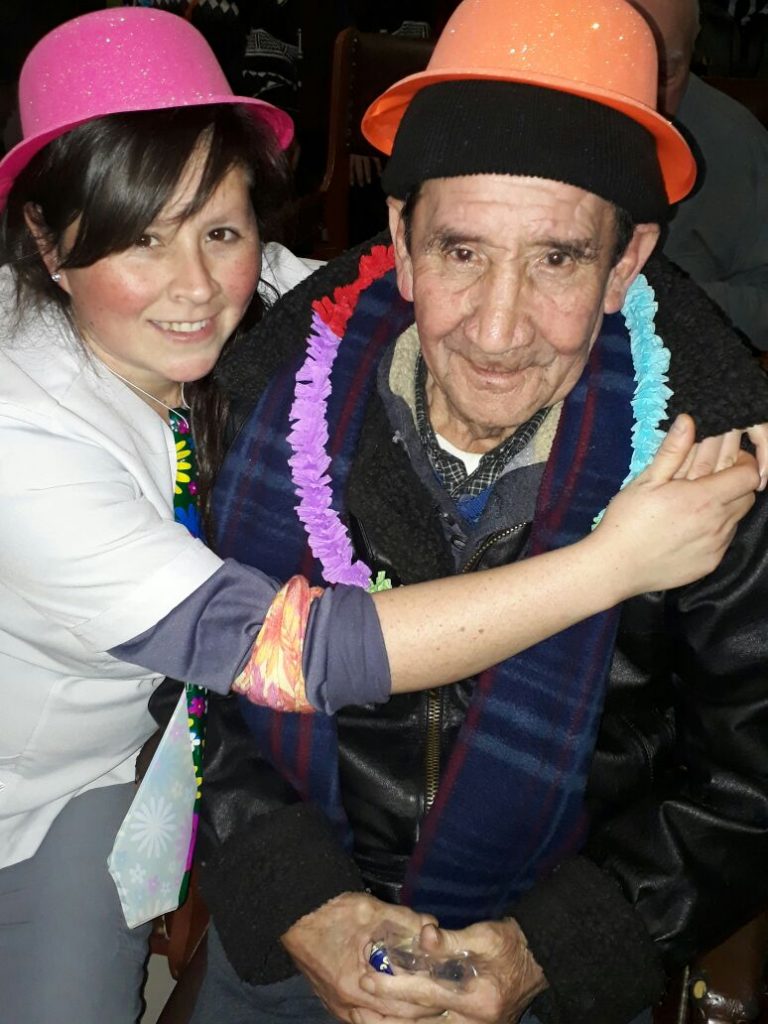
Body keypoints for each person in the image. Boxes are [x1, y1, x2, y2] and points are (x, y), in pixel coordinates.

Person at [1, 9, 758, 1024]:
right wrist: (299, 899)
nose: (498, 329)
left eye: (558, 260)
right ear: (402, 242)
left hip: (553, 971)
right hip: (241, 900)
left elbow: (747, 779)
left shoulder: (703, 477)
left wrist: (559, 945)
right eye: (461, 251)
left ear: (627, 264)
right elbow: (229, 684)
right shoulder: (260, 396)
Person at [630, 0, 768, 351]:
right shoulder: (519, 123)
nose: (638, 94)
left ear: (694, 51)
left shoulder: (737, 142)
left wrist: (664, 301)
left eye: (664, 74)